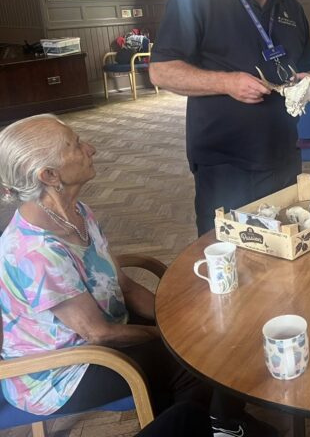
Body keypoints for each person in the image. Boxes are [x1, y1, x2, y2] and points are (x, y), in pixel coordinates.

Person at [0, 115, 276, 437]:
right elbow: (99, 334)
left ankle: (219, 421)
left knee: (211, 327)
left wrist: (177, 317)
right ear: (49, 175)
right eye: (75, 145)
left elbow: (124, 286)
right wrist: (164, 336)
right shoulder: (33, 252)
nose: (91, 149)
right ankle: (216, 425)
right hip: (60, 370)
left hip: (104, 332)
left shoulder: (78, 212)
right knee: (192, 360)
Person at [149, 0, 310, 236]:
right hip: (225, 165)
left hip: (283, 158)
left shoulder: (291, 8)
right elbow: (161, 71)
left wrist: (309, 82)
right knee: (231, 254)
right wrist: (227, 83)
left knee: (284, 253)